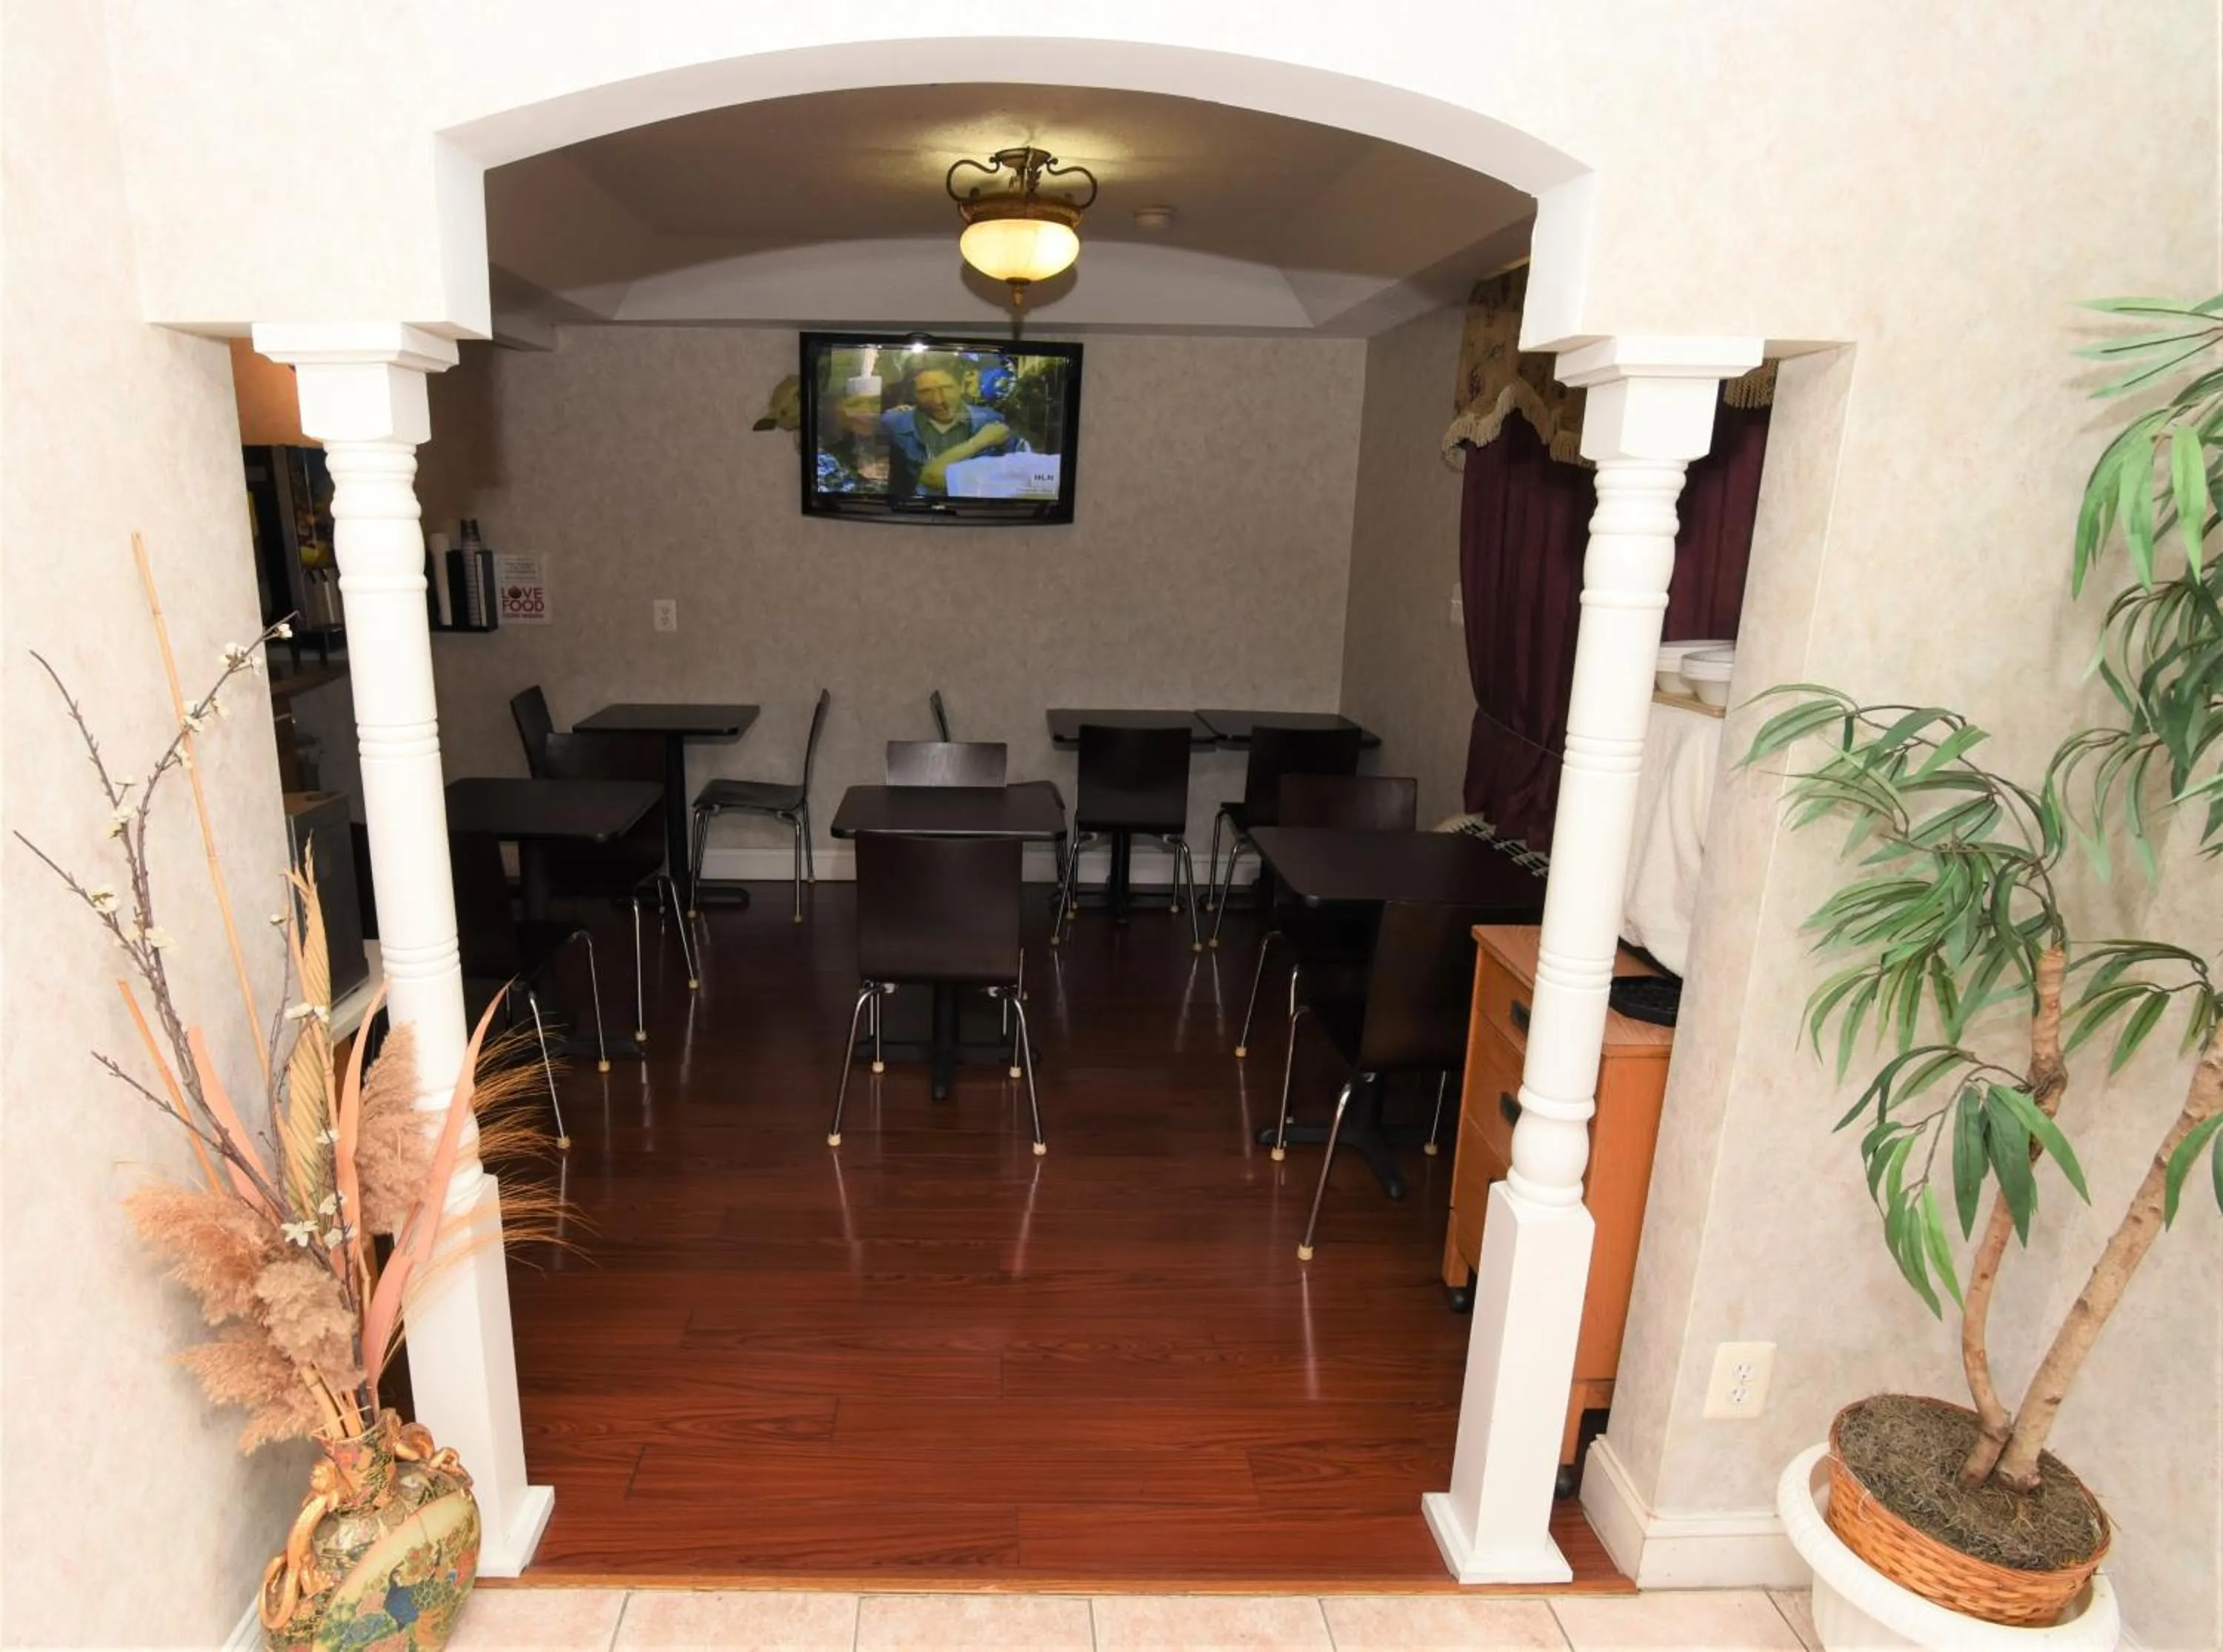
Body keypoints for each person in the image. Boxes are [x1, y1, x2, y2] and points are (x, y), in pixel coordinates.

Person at [880, 361, 1017, 498]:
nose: (939, 400)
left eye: (947, 388)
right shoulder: (894, 423)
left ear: (960, 387)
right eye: (926, 391)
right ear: (914, 396)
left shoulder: (993, 421)